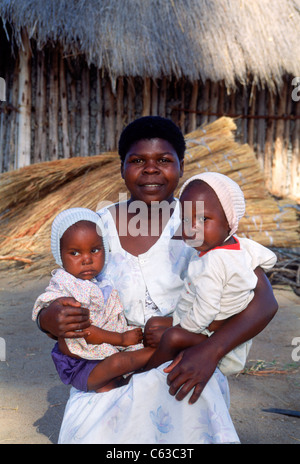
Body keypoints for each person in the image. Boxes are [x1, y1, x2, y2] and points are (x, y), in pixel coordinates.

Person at [36, 116, 278, 444]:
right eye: (137, 161)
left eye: (164, 160)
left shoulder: (200, 220)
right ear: (122, 168)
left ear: (181, 166)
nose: (151, 169)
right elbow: (60, 293)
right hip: (111, 366)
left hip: (187, 361)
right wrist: (49, 318)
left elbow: (264, 301)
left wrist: (209, 352)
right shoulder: (97, 226)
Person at [143, 172, 277, 373]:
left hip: (213, 333)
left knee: (171, 338)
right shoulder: (241, 246)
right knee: (155, 324)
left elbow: (207, 309)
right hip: (206, 323)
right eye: (186, 219)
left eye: (203, 219)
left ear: (229, 222)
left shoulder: (212, 262)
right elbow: (269, 258)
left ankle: (146, 376)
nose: (192, 229)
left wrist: (178, 329)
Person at [32, 207, 154, 393]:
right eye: (74, 253)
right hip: (82, 361)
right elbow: (82, 329)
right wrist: (121, 338)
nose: (87, 259)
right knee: (119, 364)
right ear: (59, 255)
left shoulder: (103, 283)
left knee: (118, 389)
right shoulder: (65, 284)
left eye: (95, 250)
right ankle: (166, 351)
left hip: (106, 352)